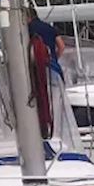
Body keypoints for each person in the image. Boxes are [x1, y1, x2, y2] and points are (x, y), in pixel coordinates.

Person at [26, 9, 65, 138]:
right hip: (53, 67)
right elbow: (61, 46)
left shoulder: (28, 30)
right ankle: (56, 132)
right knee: (56, 102)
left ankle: (42, 132)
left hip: (38, 70)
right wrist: (55, 59)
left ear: (27, 17)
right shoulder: (50, 28)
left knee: (41, 101)